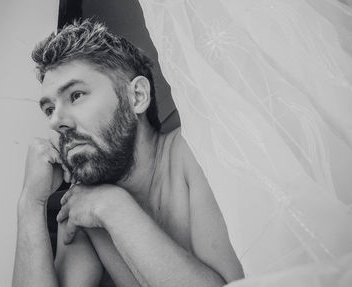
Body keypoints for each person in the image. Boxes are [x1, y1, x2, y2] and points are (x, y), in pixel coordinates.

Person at [12, 20, 244, 287]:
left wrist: (113, 207)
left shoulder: (198, 148)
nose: (56, 122)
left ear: (137, 96)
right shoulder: (81, 207)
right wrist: (31, 204)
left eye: (76, 95)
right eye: (49, 109)